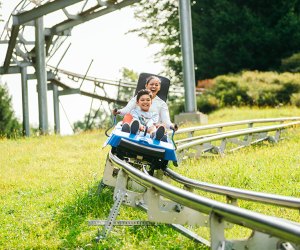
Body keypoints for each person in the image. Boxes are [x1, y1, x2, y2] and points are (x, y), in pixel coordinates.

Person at [113, 75, 178, 131]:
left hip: (151, 127)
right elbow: (127, 110)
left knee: (161, 126)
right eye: (151, 84)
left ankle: (155, 135)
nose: (154, 86)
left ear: (159, 88)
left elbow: (166, 121)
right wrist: (118, 111)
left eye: (156, 85)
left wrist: (172, 126)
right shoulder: (137, 98)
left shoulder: (162, 104)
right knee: (128, 116)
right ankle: (129, 130)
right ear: (146, 86)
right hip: (136, 125)